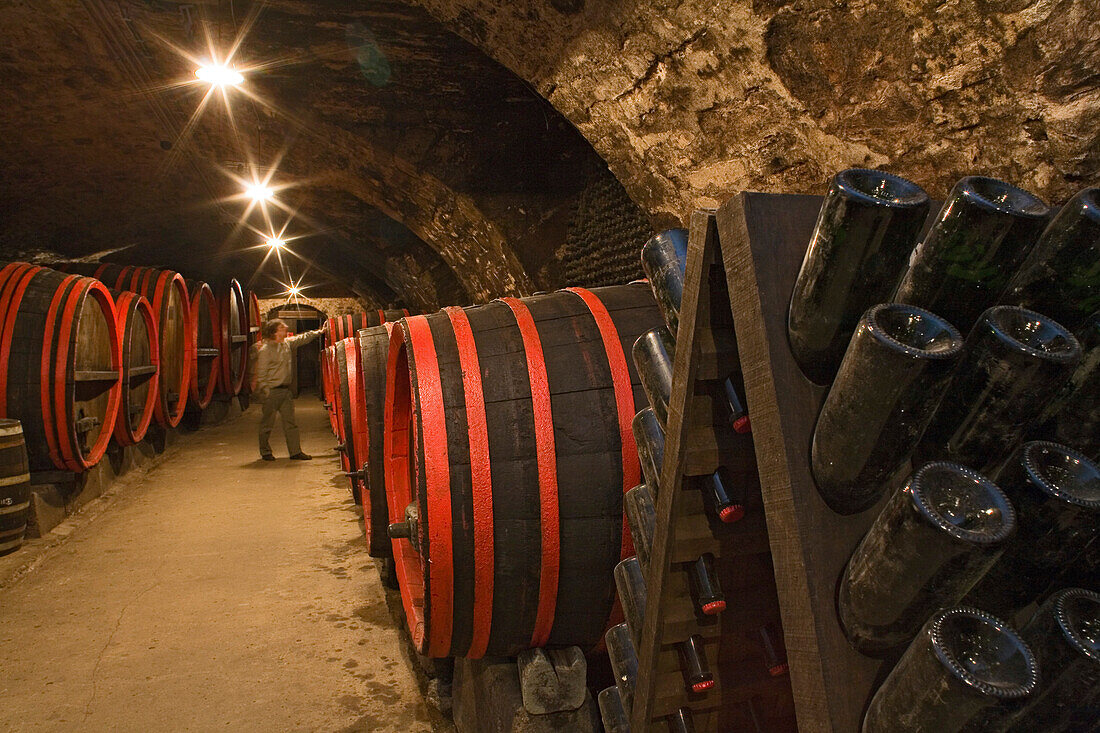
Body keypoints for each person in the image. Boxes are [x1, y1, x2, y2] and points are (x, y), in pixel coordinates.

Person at [252, 319, 323, 461]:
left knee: (290, 423)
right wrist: (265, 392)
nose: (286, 328)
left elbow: (302, 338)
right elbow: (262, 373)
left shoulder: (286, 344)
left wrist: (319, 332)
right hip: (272, 392)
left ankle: (295, 452)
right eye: (282, 327)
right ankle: (265, 452)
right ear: (275, 332)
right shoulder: (266, 350)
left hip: (285, 391)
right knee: (267, 424)